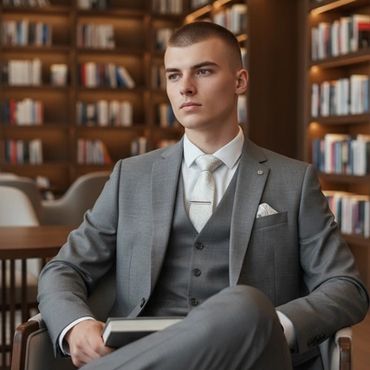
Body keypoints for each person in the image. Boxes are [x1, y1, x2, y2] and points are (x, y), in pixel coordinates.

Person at [38, 21, 369, 370]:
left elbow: (346, 287)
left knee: (245, 307)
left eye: (203, 71)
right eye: (174, 76)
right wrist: (77, 325)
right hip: (146, 354)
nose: (186, 88)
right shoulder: (130, 176)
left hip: (251, 360)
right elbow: (65, 268)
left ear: (240, 81)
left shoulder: (294, 180)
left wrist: (272, 326)